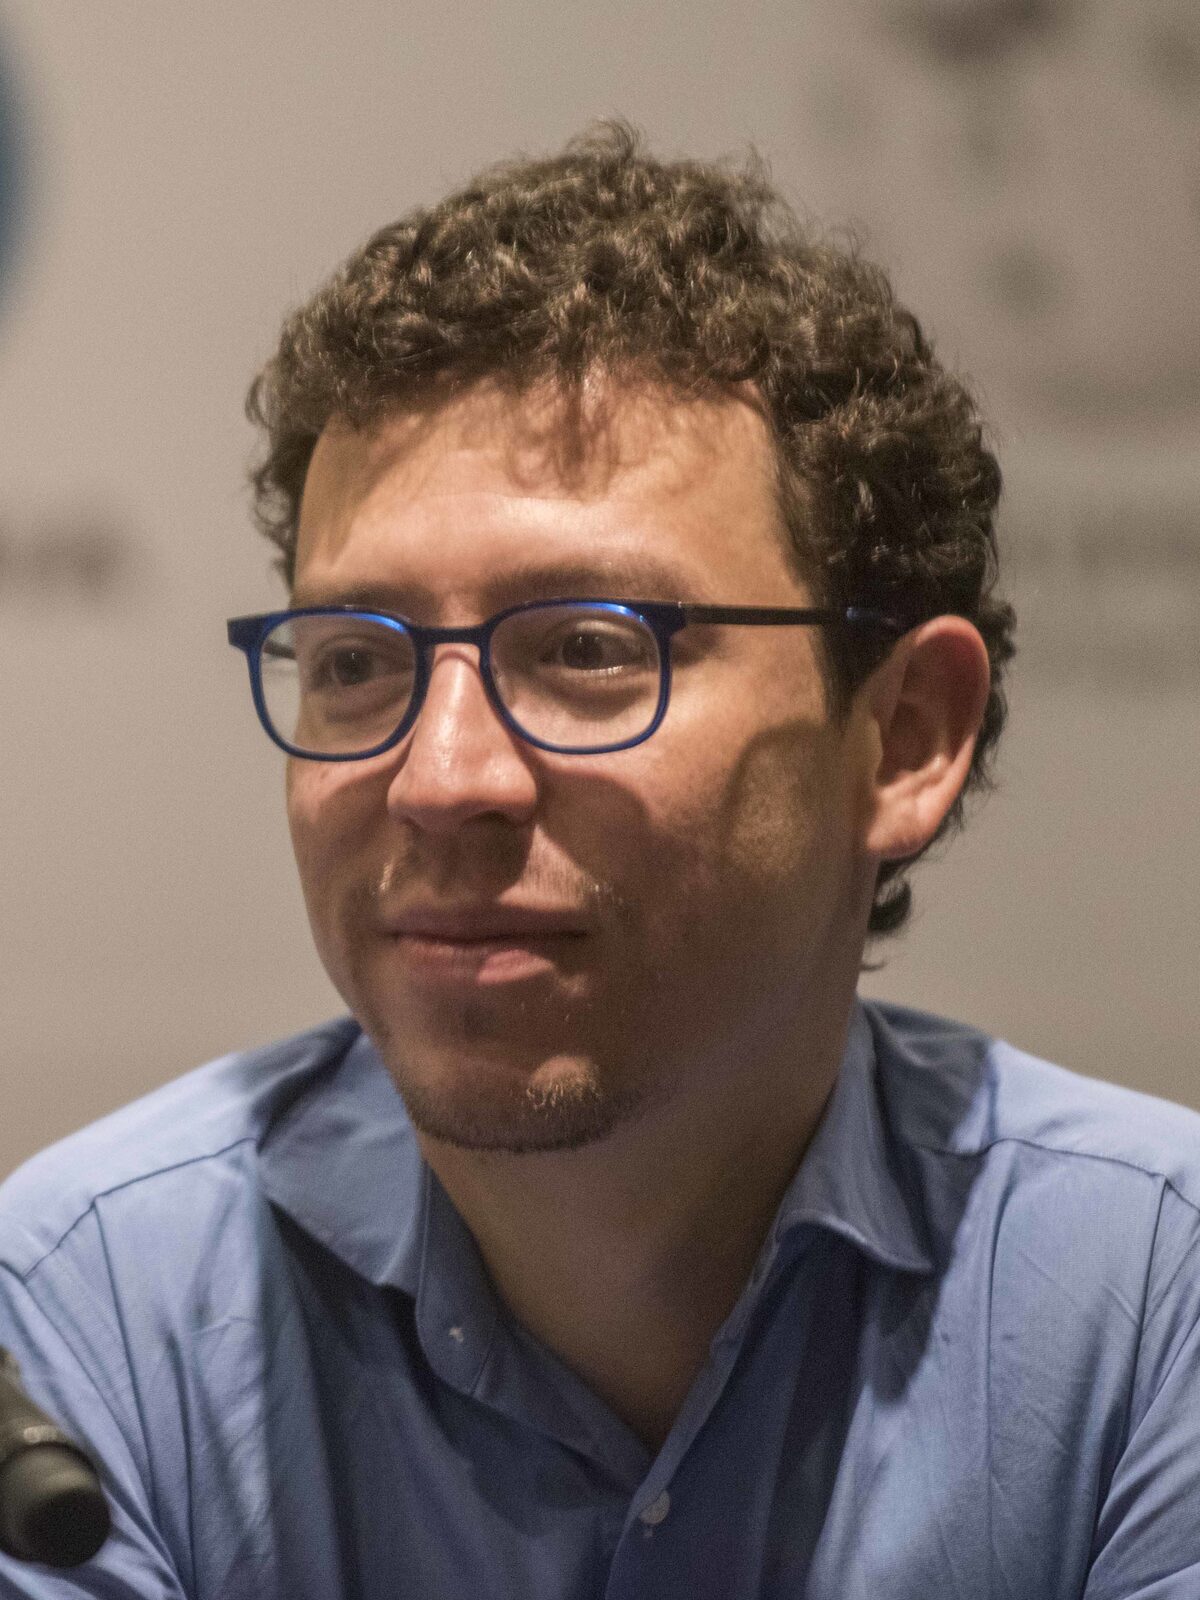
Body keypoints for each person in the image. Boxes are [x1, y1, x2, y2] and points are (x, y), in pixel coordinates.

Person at [1, 123, 1197, 1599]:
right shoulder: (82, 1319)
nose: (443, 781)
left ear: (902, 741)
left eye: (587, 650)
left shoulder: (1155, 1302)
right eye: (359, 661)